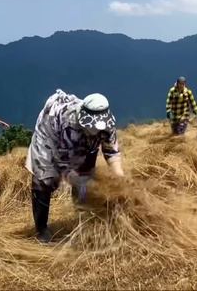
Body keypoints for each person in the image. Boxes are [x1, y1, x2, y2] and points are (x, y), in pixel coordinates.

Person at [25, 90, 125, 243]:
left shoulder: (107, 123)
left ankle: (81, 215)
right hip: (50, 134)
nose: (97, 131)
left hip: (81, 144)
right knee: (44, 178)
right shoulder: (69, 124)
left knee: (86, 174)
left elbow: (112, 152)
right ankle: (41, 229)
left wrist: (120, 181)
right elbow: (65, 164)